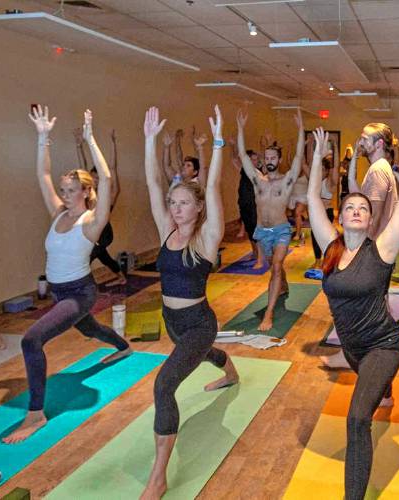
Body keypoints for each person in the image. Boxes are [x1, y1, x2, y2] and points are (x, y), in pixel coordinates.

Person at [307, 124, 399, 500]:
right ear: (340, 217)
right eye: (350, 208)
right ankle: (386, 391)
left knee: (358, 418)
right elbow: (313, 197)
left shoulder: (382, 251)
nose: (358, 211)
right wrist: (317, 155)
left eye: (364, 208)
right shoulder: (330, 249)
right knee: (369, 385)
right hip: (353, 349)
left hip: (382, 344)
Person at [3, 106, 132, 444]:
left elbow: (106, 179)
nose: (64, 194)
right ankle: (123, 346)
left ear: (86, 193)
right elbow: (42, 177)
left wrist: (91, 139)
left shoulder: (91, 222)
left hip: (79, 293)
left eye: (72, 190)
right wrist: (43, 138)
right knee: (91, 330)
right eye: (64, 189)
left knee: (32, 339)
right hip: (60, 293)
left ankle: (35, 414)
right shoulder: (57, 213)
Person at [141, 106, 238, 500]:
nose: (175, 207)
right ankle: (231, 372)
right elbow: (151, 184)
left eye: (183, 202)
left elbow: (213, 189)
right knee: (199, 355)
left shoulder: (206, 237)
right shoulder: (167, 230)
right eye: (173, 202)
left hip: (198, 321)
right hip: (173, 321)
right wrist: (148, 141)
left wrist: (215, 144)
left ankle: (158, 478)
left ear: (197, 208)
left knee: (164, 385)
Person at [322, 123, 399, 369]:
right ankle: (354, 355)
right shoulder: (378, 167)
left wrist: (352, 247)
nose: (360, 141)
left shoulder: (378, 171)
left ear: (378, 144)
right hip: (375, 251)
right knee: (372, 306)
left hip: (372, 252)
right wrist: (355, 156)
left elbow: (370, 216)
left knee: (365, 309)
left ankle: (372, 356)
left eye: (365, 139)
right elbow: (355, 190)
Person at [236, 108, 304, 331]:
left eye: (274, 157)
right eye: (267, 158)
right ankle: (282, 284)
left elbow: (297, 157)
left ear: (279, 159)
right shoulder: (258, 181)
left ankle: (269, 313)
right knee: (275, 265)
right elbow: (244, 157)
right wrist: (240, 128)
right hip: (261, 232)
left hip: (281, 230)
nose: (270, 160)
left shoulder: (286, 181)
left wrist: (301, 129)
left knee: (275, 267)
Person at [77, 128, 127, 286]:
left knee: (86, 258)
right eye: (93, 177)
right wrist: (79, 146)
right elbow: (82, 167)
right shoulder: (87, 193)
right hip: (92, 232)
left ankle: (81, 286)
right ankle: (121, 277)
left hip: (104, 234)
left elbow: (112, 168)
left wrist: (113, 144)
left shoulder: (106, 197)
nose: (96, 180)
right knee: (103, 257)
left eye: (99, 178)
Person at [230, 139, 265, 268]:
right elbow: (234, 158)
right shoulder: (244, 169)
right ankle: (255, 253)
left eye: (256, 160)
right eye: (253, 160)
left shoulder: (258, 172)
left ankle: (260, 259)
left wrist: (263, 145)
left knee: (257, 231)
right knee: (250, 232)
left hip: (255, 205)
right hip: (244, 204)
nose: (256, 162)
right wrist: (233, 146)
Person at [311, 142, 339, 269]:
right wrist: (309, 144)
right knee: (314, 235)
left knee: (325, 236)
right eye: (319, 169)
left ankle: (328, 260)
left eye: (323, 169)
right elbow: (305, 164)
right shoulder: (315, 181)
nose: (320, 171)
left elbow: (336, 167)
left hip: (326, 212)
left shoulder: (329, 182)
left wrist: (336, 149)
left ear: (327, 171)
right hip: (316, 212)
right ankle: (317, 261)